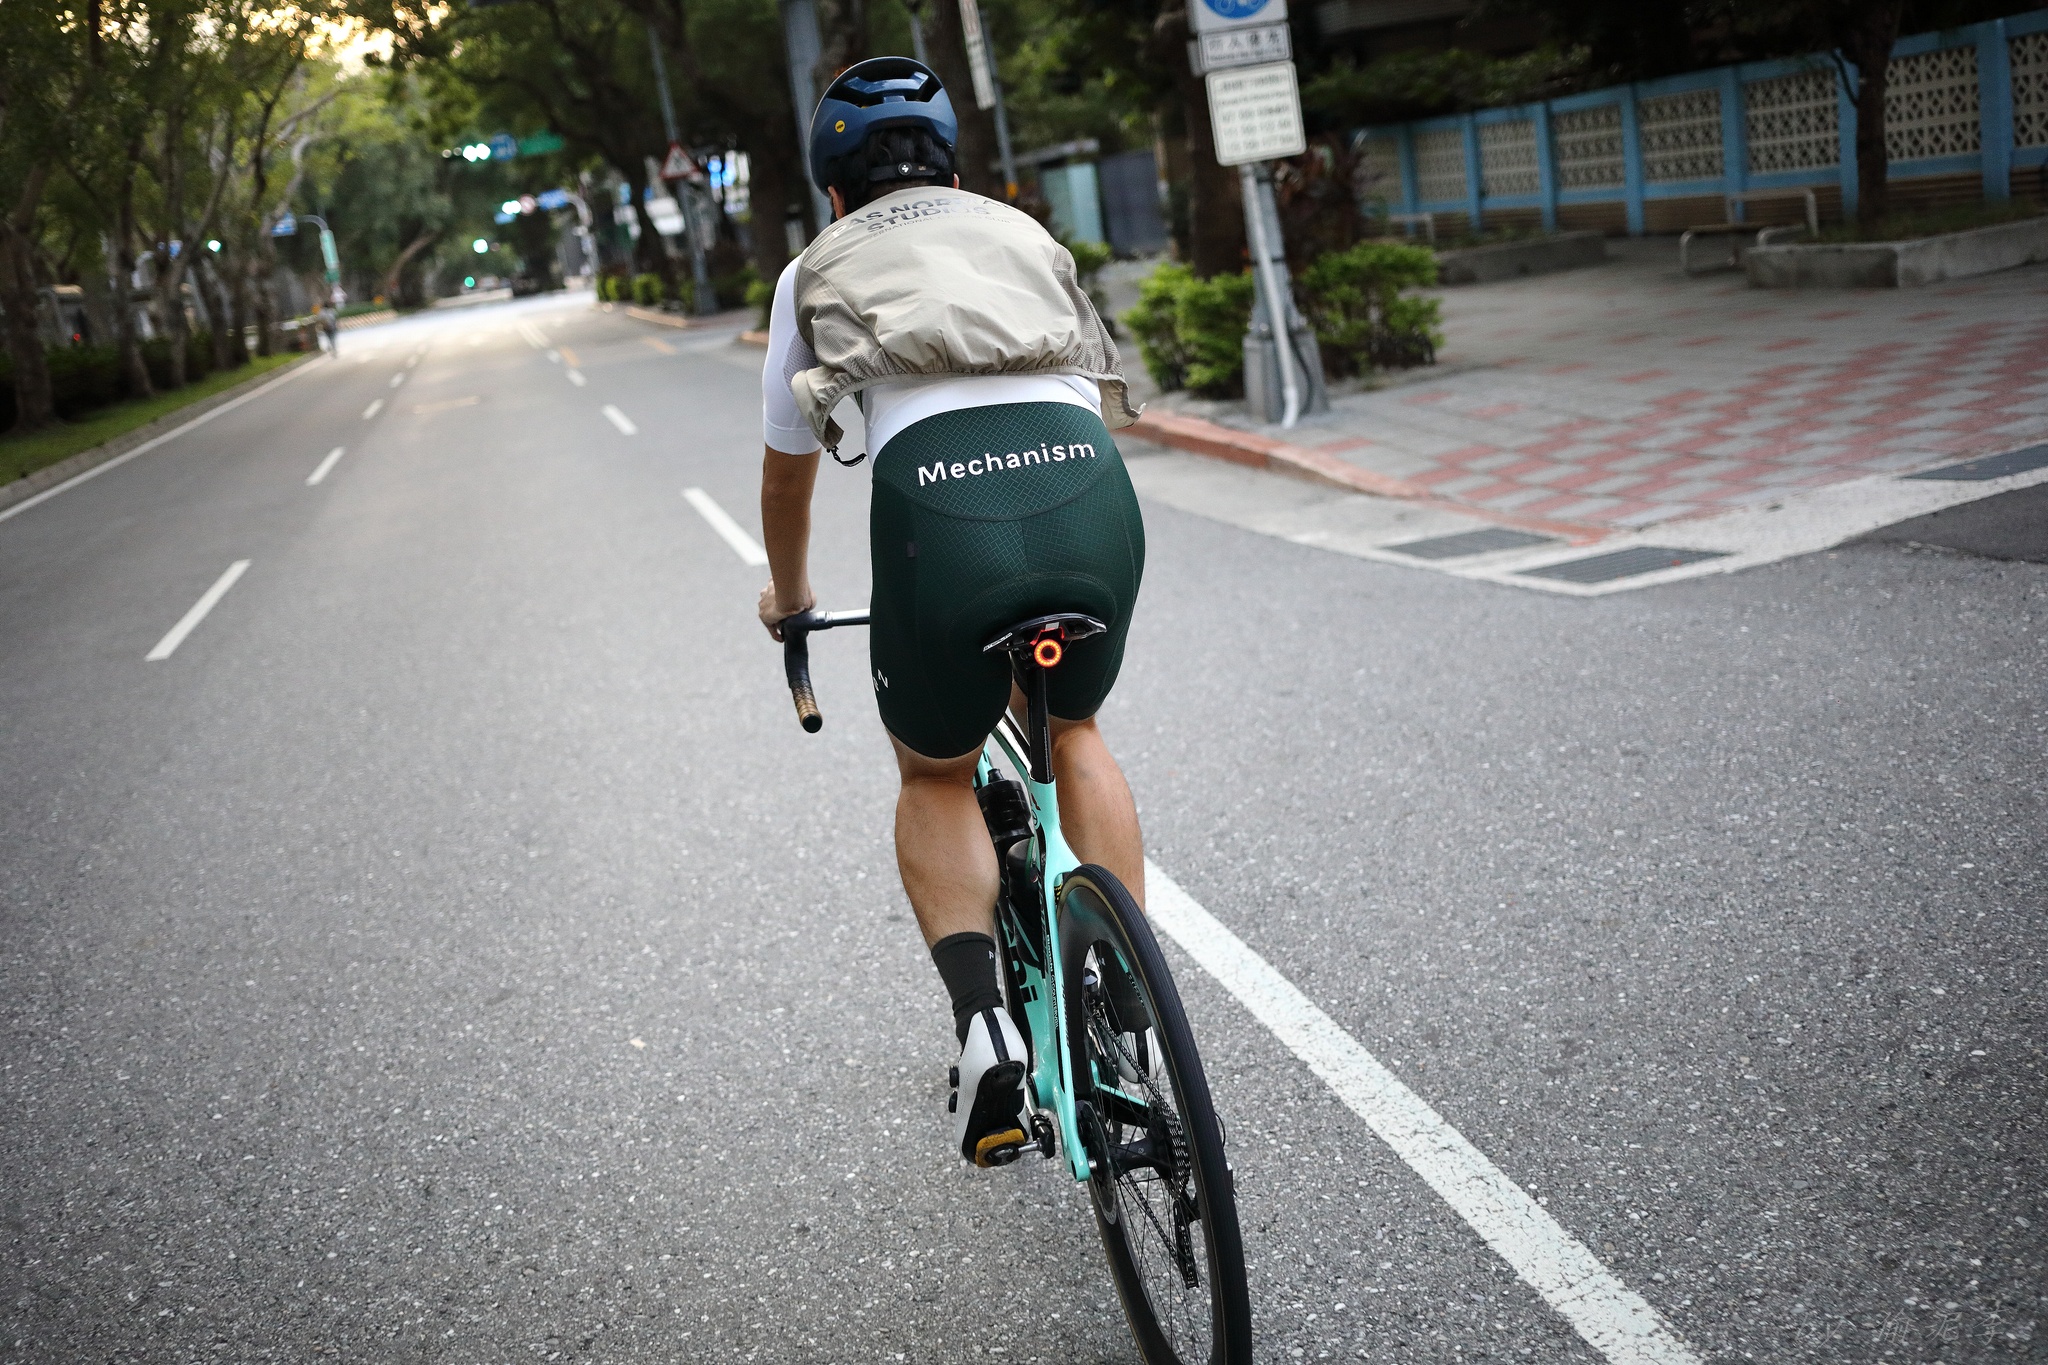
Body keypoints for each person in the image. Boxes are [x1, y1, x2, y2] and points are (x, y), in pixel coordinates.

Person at [756, 56, 1149, 1165]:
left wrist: (791, 598)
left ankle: (984, 1026)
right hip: (1085, 489)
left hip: (941, 517)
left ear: (835, 189)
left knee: (936, 771)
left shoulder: (812, 269)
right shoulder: (1021, 231)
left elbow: (787, 477)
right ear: (956, 170)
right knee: (1074, 727)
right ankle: (1127, 992)